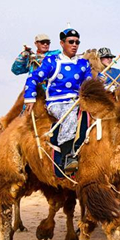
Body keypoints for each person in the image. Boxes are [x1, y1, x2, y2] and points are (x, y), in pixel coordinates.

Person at [24, 28, 92, 173]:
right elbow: (33, 78)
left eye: (77, 42)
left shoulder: (83, 64)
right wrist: (29, 97)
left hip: (78, 101)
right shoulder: (52, 61)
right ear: (62, 43)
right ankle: (67, 157)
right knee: (70, 117)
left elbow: (89, 83)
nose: (75, 45)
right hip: (57, 102)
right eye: (71, 42)